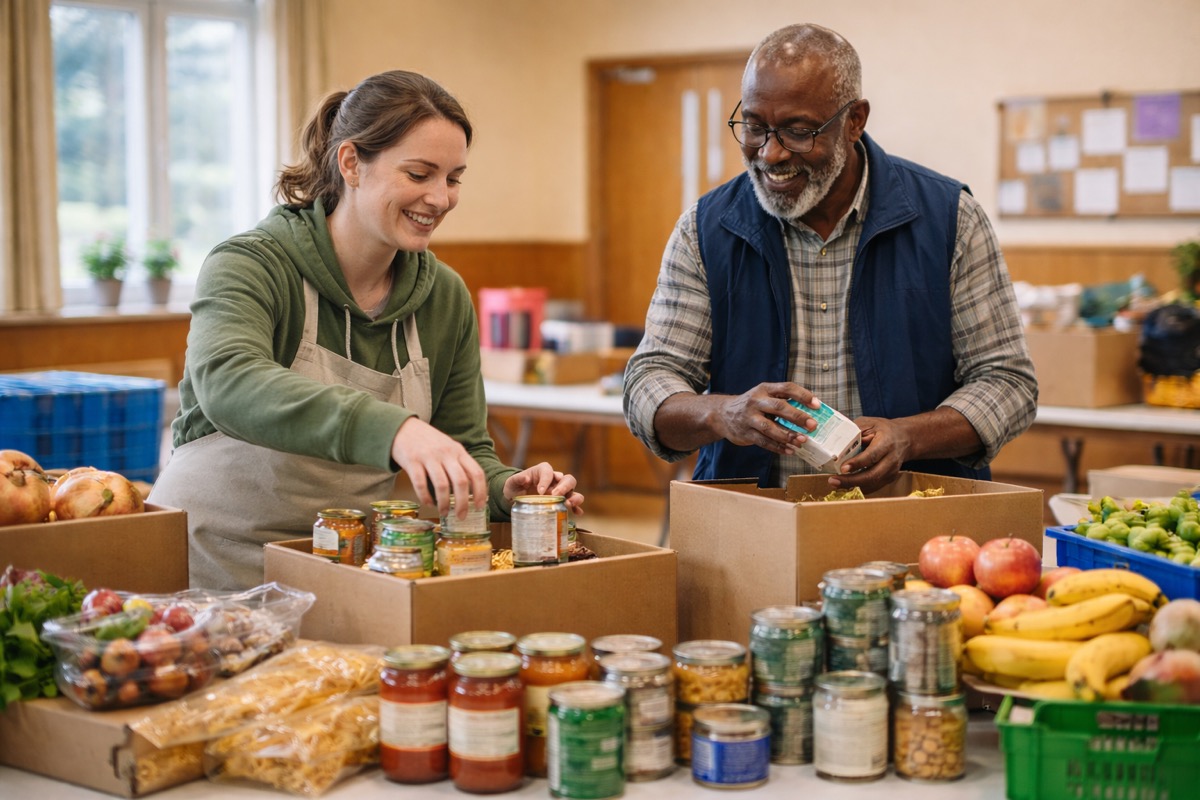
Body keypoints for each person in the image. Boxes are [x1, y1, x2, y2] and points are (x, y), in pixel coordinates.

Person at [150, 70, 583, 591]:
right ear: (351, 163)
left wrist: (504, 490)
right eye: (419, 174)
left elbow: (465, 446)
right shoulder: (250, 264)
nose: (441, 198)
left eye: (454, 177)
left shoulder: (444, 297)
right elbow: (230, 382)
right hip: (215, 561)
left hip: (345, 563)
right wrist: (394, 429)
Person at [623, 23, 1037, 495]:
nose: (771, 154)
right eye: (755, 127)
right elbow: (648, 382)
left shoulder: (947, 219)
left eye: (799, 132)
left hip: (918, 523)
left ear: (855, 120)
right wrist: (723, 413)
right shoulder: (707, 229)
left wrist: (909, 438)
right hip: (755, 525)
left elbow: (1007, 382)